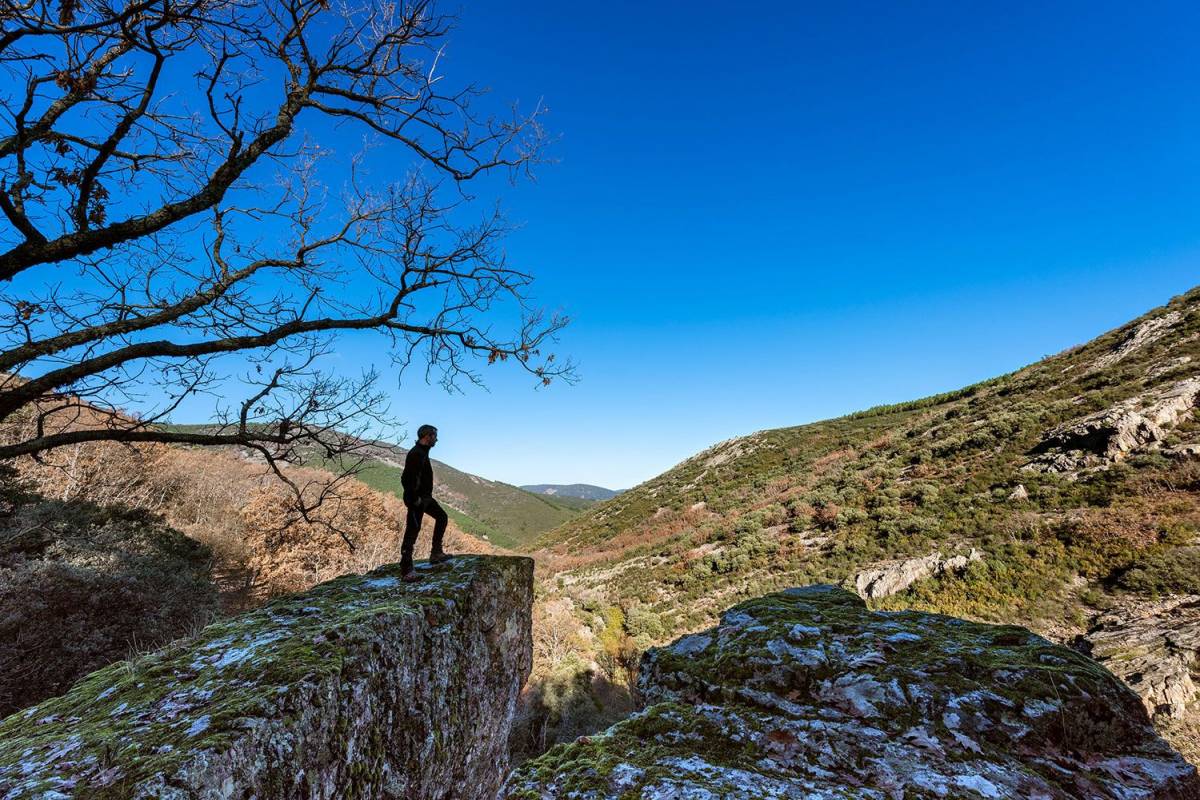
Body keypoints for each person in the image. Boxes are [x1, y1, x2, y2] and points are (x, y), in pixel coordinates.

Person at [399, 424, 451, 581]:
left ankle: (436, 553)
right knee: (412, 531)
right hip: (417, 499)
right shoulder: (416, 454)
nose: (437, 439)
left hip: (425, 498)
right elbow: (406, 478)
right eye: (435, 436)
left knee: (442, 517)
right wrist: (415, 499)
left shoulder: (422, 453)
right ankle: (406, 570)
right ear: (427, 436)